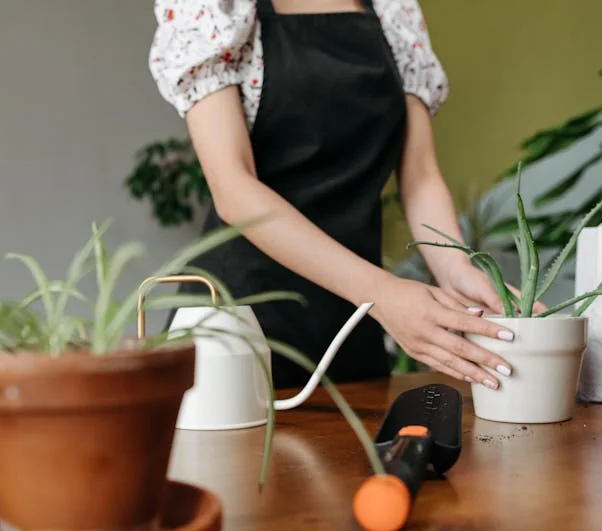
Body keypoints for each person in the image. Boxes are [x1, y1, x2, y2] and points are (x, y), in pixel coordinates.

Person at [149, 0, 539, 390]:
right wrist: (381, 293)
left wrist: (458, 270)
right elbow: (234, 189)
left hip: (354, 324)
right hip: (240, 324)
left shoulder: (392, 9)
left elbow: (419, 176)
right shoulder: (216, 7)